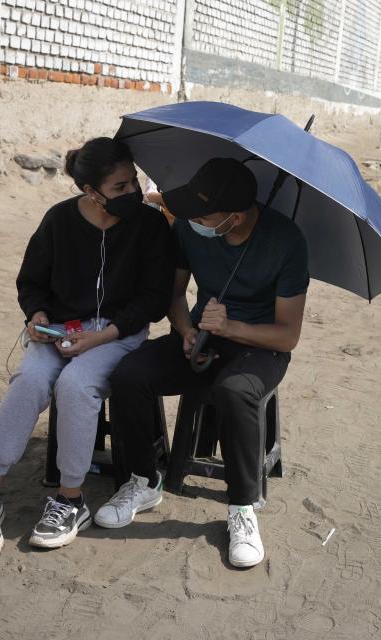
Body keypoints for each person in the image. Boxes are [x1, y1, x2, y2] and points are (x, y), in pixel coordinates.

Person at [0, 138, 176, 558]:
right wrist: (38, 317)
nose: (132, 193)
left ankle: (69, 500)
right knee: (28, 380)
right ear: (91, 192)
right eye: (120, 188)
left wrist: (101, 336)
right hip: (61, 330)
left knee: (77, 386)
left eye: (133, 182)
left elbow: (152, 301)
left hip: (118, 334)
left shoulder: (150, 227)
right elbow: (31, 282)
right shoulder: (59, 221)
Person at [99, 158, 308, 569]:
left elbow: (288, 335)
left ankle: (242, 507)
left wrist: (232, 326)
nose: (193, 220)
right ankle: (143, 480)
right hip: (202, 338)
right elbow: (175, 297)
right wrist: (186, 330)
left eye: (204, 214)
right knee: (129, 374)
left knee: (234, 391)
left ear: (236, 216)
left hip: (260, 348)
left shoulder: (286, 241)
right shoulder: (189, 229)